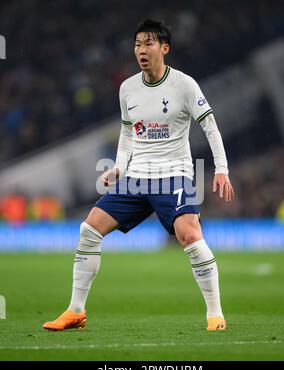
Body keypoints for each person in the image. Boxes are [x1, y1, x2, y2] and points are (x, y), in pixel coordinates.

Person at [43, 19, 234, 332]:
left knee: (190, 235)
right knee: (89, 230)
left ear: (164, 48)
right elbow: (127, 130)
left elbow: (209, 126)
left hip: (173, 173)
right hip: (136, 176)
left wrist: (222, 169)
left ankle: (215, 314)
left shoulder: (184, 85)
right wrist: (119, 166)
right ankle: (76, 311)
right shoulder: (127, 88)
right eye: (137, 44)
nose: (141, 50)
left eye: (148, 43)